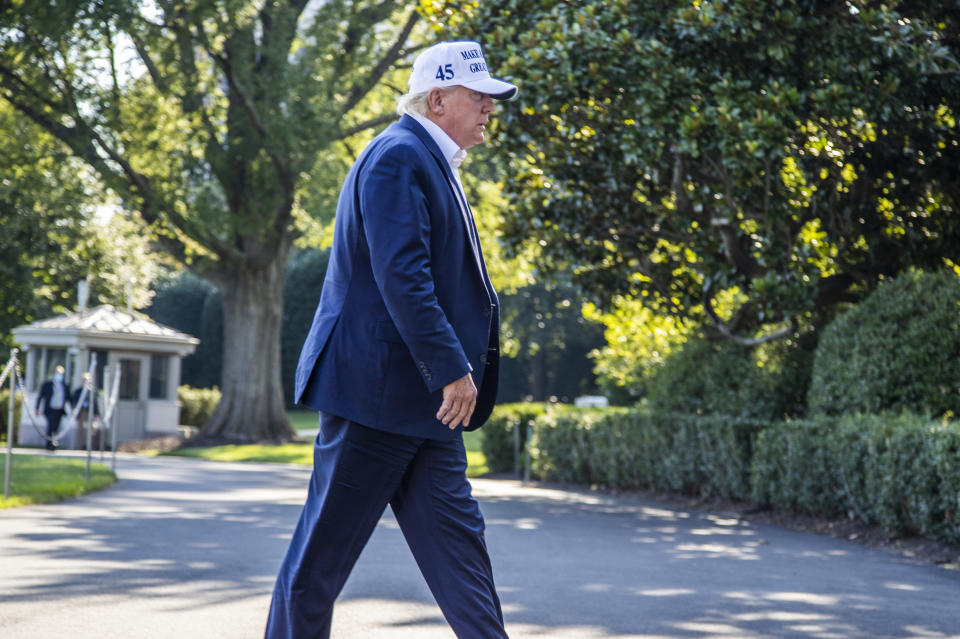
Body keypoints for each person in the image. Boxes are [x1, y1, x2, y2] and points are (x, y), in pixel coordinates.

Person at [265, 40, 517, 639]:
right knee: (317, 569)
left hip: (428, 407)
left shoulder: (428, 160)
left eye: (490, 98)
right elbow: (403, 277)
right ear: (438, 99)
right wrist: (453, 369)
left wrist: (450, 378)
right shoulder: (398, 156)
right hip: (376, 399)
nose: (489, 108)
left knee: (464, 565)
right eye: (478, 96)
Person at [35, 365, 71, 451]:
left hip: (59, 410)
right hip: (50, 409)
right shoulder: (47, 385)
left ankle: (53, 443)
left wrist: (73, 408)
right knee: (50, 426)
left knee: (56, 427)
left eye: (61, 374)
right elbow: (40, 397)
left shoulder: (64, 386)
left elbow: (69, 398)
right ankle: (49, 444)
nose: (59, 375)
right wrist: (37, 408)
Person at [71, 372, 100, 449]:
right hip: (81, 412)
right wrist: (74, 409)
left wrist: (97, 414)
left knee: (92, 429)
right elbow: (74, 402)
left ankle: (89, 446)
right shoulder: (78, 391)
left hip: (90, 412)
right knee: (80, 429)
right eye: (84, 380)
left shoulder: (93, 391)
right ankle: (80, 446)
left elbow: (95, 403)